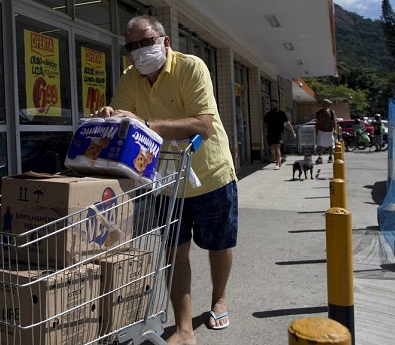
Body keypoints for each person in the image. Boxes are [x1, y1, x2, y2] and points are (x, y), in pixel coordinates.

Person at [93, 15, 237, 344]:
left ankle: (219, 297)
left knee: (219, 244)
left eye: (146, 42)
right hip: (165, 178)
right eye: (132, 46)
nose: (139, 51)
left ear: (165, 42)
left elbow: (203, 125)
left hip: (210, 173)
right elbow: (122, 119)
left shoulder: (192, 67)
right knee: (174, 250)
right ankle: (184, 329)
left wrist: (144, 121)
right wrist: (110, 117)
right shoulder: (130, 78)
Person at [264, 99, 296, 170]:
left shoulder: (281, 114)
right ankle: (279, 158)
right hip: (270, 133)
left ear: (276, 105)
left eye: (274, 105)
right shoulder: (268, 114)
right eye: (271, 105)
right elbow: (265, 124)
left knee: (277, 148)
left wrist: (293, 132)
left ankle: (277, 164)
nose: (272, 106)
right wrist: (265, 131)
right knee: (272, 149)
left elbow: (288, 123)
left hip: (279, 133)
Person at [314, 99, 337, 164]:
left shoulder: (331, 112)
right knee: (320, 144)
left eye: (329, 104)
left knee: (330, 144)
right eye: (328, 104)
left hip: (329, 130)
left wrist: (335, 130)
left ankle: (330, 157)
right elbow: (317, 122)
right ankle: (320, 157)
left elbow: (334, 121)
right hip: (321, 130)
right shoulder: (318, 112)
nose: (329, 105)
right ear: (324, 104)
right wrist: (316, 130)